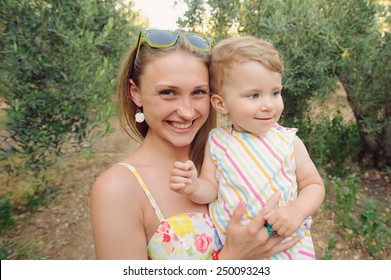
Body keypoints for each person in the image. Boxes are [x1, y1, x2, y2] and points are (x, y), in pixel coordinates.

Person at [90, 30, 300, 260]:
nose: (187, 111)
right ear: (136, 93)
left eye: (198, 92)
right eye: (168, 92)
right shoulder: (118, 189)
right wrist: (231, 260)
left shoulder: (232, 157)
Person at [169, 35, 325, 259]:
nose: (268, 105)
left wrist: (297, 210)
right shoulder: (218, 142)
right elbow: (210, 189)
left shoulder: (288, 141)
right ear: (221, 104)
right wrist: (193, 186)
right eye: (254, 95)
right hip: (237, 252)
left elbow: (314, 184)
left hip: (288, 251)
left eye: (275, 93)